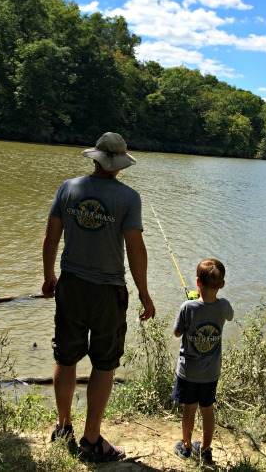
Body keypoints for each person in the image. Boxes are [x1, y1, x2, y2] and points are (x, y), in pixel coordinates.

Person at [42, 132, 156, 463]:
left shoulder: (68, 188)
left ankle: (63, 426)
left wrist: (49, 275)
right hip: (108, 293)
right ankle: (91, 440)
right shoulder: (129, 198)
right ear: (119, 164)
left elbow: (51, 236)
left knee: (65, 358)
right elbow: (136, 249)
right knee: (104, 364)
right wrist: (145, 294)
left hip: (72, 285)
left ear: (94, 159)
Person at [171, 258, 234, 465]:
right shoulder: (224, 306)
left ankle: (187, 447)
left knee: (189, 408)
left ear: (198, 282)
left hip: (189, 372)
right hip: (211, 373)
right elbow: (230, 316)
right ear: (222, 284)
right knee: (207, 410)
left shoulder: (188, 307)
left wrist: (192, 301)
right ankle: (206, 450)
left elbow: (177, 332)